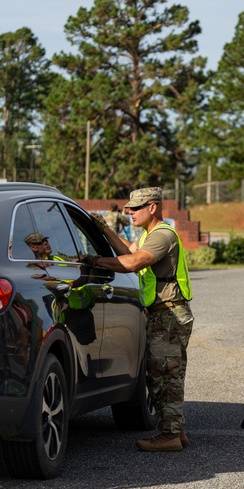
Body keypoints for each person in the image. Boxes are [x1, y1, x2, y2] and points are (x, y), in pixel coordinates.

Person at [86, 187, 193, 452]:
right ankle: (176, 431)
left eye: (136, 208)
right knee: (165, 373)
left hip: (169, 314)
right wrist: (105, 230)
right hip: (164, 313)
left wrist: (95, 261)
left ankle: (169, 435)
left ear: (153, 207)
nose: (130, 212)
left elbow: (133, 263)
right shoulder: (150, 235)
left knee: (164, 375)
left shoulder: (162, 235)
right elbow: (128, 251)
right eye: (129, 208)